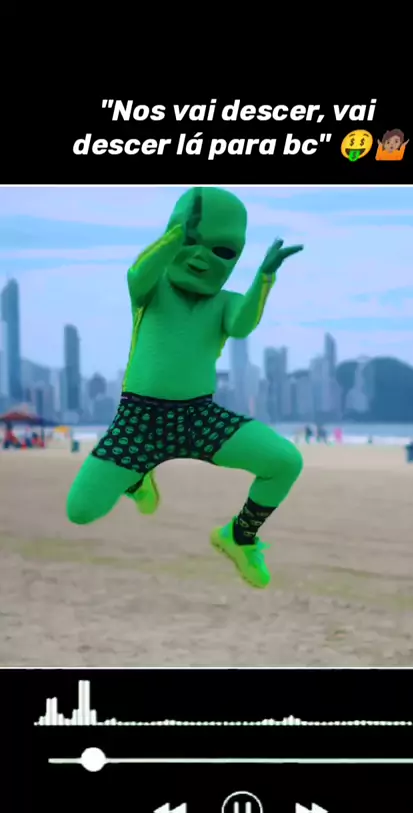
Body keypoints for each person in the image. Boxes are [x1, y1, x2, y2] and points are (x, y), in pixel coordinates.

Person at [66, 187, 304, 589]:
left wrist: (265, 277)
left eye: (221, 250)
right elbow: (137, 275)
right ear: (172, 234)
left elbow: (242, 324)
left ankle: (240, 536)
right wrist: (176, 235)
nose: (200, 257)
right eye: (191, 241)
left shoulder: (224, 302)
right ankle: (137, 478)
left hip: (199, 417)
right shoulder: (153, 289)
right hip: (138, 422)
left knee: (285, 462)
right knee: (81, 510)